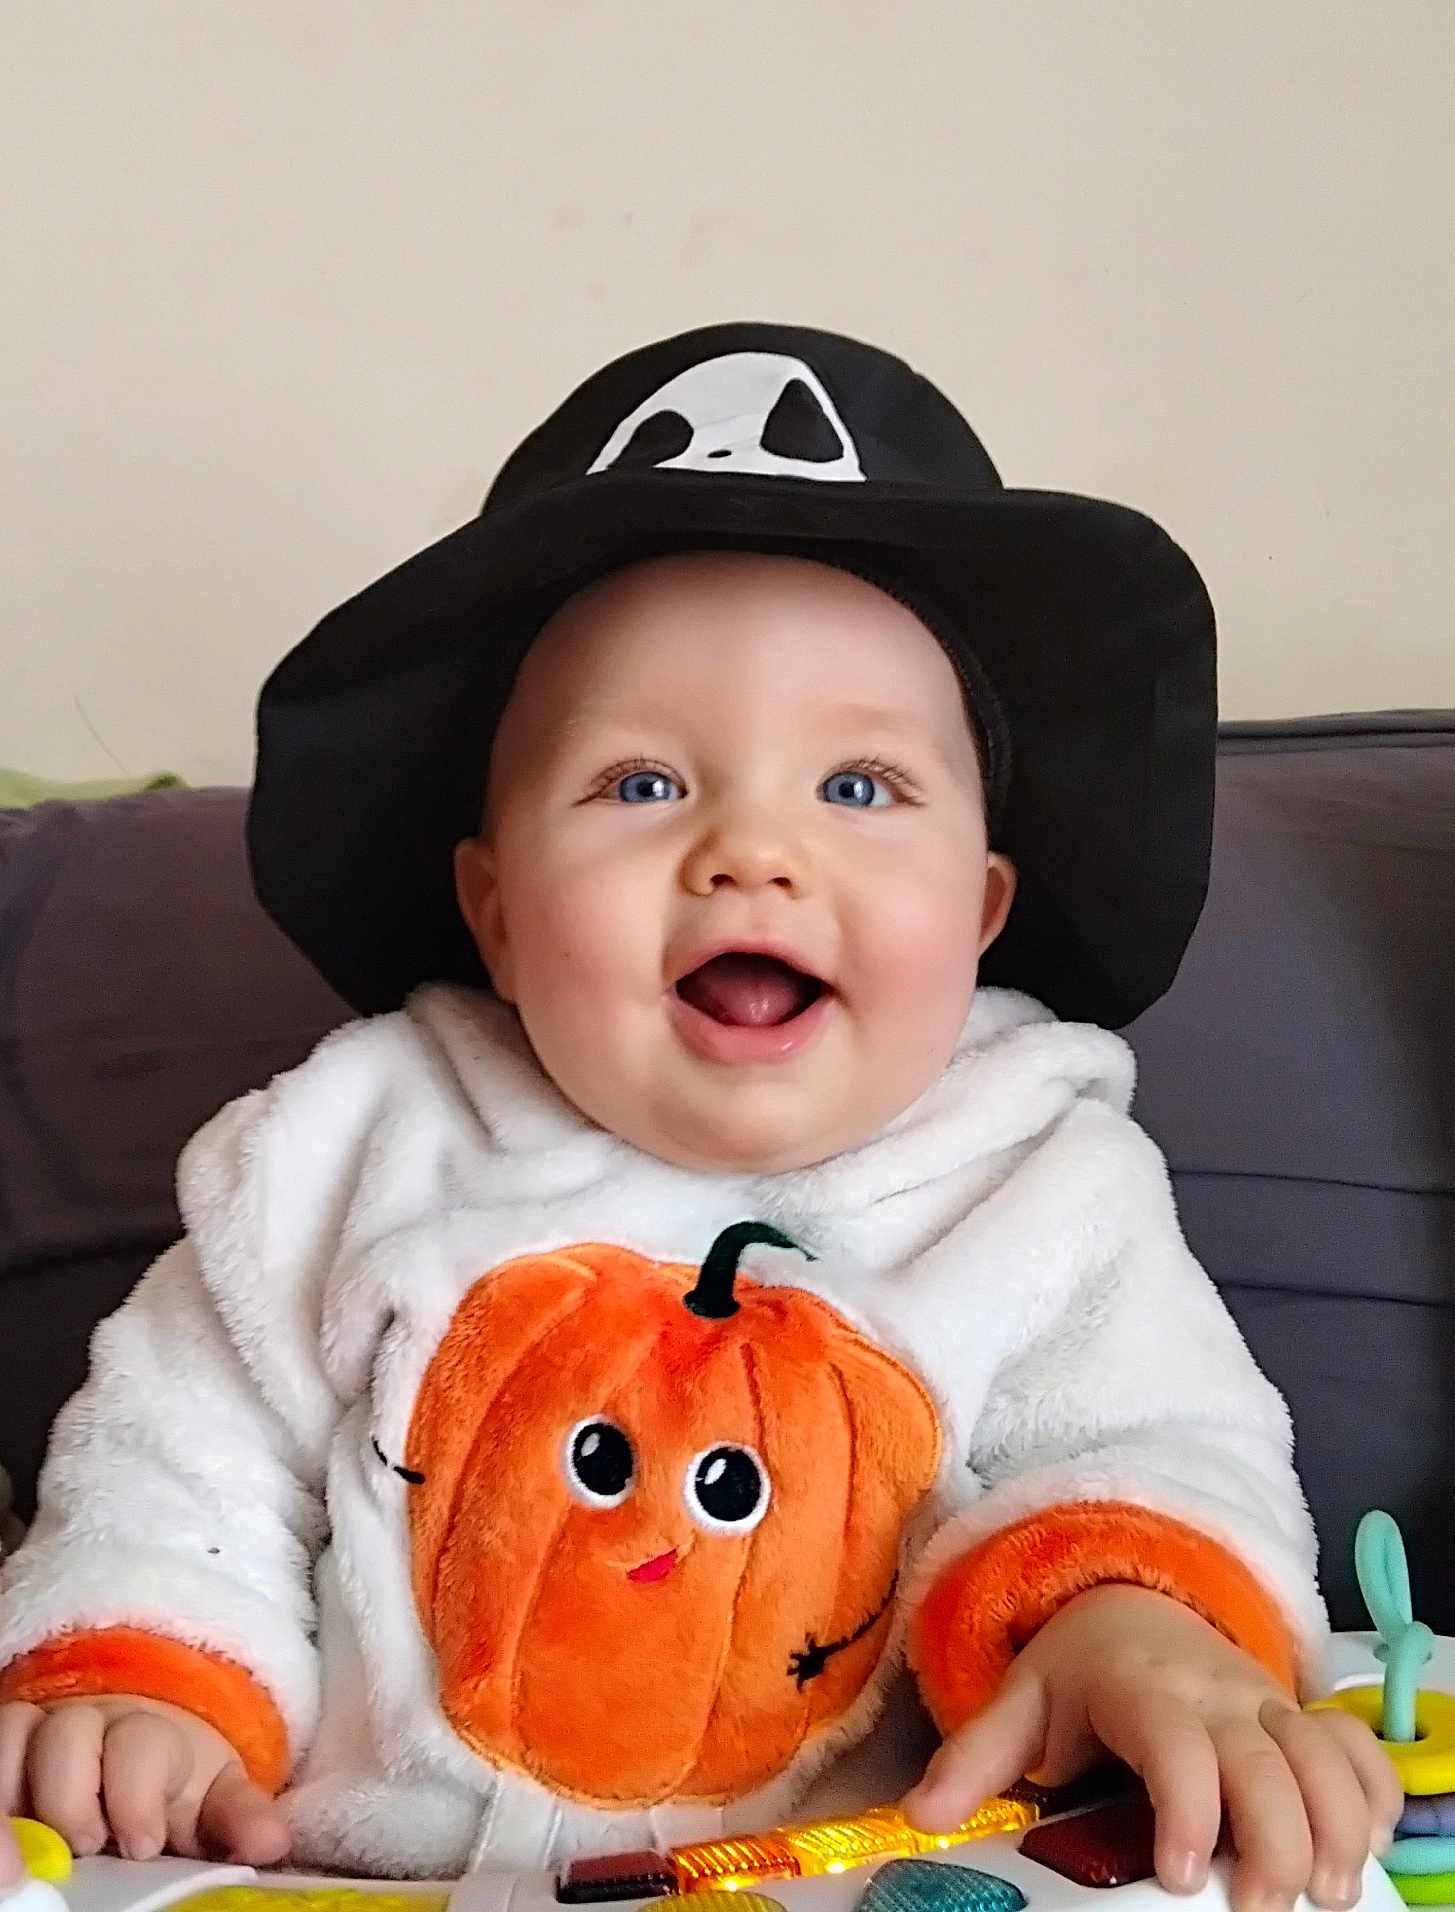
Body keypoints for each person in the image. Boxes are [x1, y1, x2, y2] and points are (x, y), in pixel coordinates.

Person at [0, 326, 1399, 1906]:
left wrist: (1135, 1626)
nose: (752, 852)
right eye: (643, 785)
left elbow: (1147, 1448)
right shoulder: (340, 1154)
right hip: (363, 1876)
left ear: (984, 910)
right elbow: (175, 1461)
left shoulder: (1036, 1179)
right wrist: (140, 1679)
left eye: (859, 788)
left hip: (870, 1874)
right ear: (499, 912)